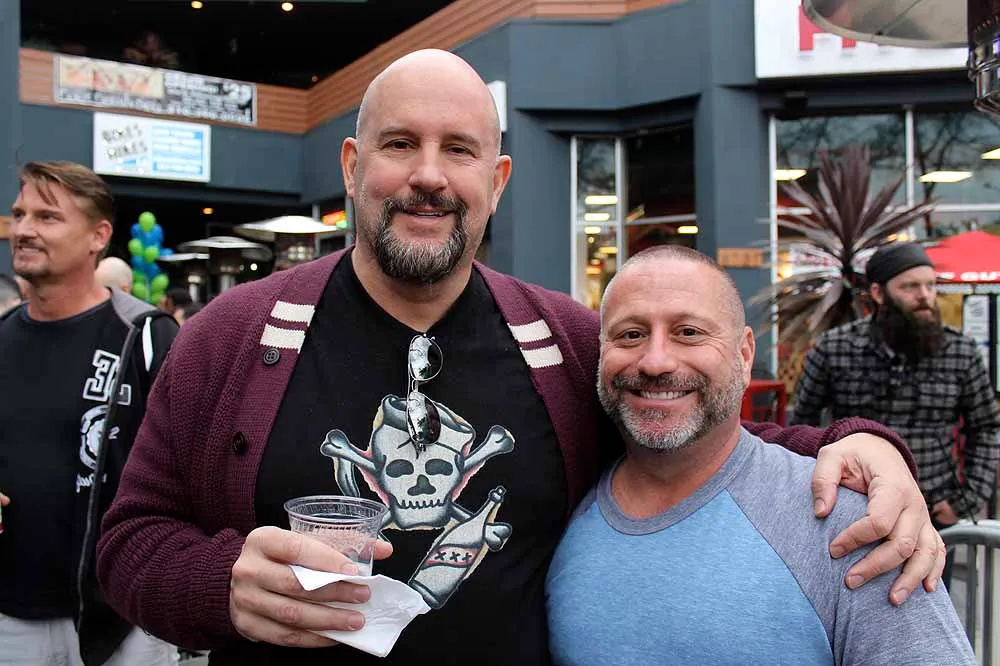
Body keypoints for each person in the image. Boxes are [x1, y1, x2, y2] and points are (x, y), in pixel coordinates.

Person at [97, 50, 943, 665]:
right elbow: (129, 540)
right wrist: (220, 584)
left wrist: (859, 447)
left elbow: (695, 427)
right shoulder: (235, 335)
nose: (430, 176)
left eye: (459, 150)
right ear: (353, 167)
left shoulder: (564, 342)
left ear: (497, 180)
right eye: (400, 144)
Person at [545, 245, 974, 665]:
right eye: (631, 334)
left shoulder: (855, 525)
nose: (656, 362)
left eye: (689, 332)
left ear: (745, 354)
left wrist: (958, 493)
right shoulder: (559, 507)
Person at [0, 161, 180, 666]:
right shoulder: (2, 337)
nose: (24, 229)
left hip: (125, 615)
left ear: (98, 236)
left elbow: (193, 463)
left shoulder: (144, 335)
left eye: (47, 217)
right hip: (12, 615)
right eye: (19, 214)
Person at [792, 241, 1000, 586]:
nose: (925, 296)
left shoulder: (960, 351)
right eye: (911, 286)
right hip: (852, 512)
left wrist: (966, 500)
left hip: (932, 513)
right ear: (878, 293)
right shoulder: (834, 349)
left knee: (926, 602)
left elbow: (986, 427)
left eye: (930, 286)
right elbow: (803, 424)